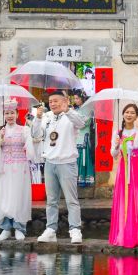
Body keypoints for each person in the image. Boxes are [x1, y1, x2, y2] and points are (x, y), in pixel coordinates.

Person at [30, 90, 87, 243]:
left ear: (64, 101)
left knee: (71, 199)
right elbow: (35, 134)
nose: (53, 103)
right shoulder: (47, 117)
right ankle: (50, 229)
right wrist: (38, 117)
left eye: (56, 100)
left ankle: (75, 230)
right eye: (51, 101)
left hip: (67, 163)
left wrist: (67, 110)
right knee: (51, 200)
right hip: (50, 163)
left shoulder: (71, 115)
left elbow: (82, 123)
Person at [109, 103, 138, 247]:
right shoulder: (118, 132)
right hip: (124, 167)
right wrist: (117, 144)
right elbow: (114, 154)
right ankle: (125, 233)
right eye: (127, 112)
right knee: (125, 198)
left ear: (136, 116)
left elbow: (136, 146)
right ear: (123, 114)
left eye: (132, 113)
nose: (129, 115)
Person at [0, 101, 35, 241]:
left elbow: (30, 150)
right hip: (4, 168)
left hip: (20, 168)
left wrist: (29, 137)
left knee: (18, 196)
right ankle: (6, 228)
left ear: (17, 114)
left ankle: (19, 227)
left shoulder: (24, 129)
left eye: (12, 113)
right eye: (7, 113)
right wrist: (0, 139)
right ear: (4, 115)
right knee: (4, 197)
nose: (9, 116)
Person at [72, 91, 96, 187]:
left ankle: (85, 178)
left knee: (84, 157)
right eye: (75, 98)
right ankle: (77, 178)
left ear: (82, 98)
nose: (75, 100)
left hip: (84, 136)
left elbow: (82, 124)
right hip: (77, 137)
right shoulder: (77, 109)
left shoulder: (88, 109)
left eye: (77, 98)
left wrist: (74, 117)